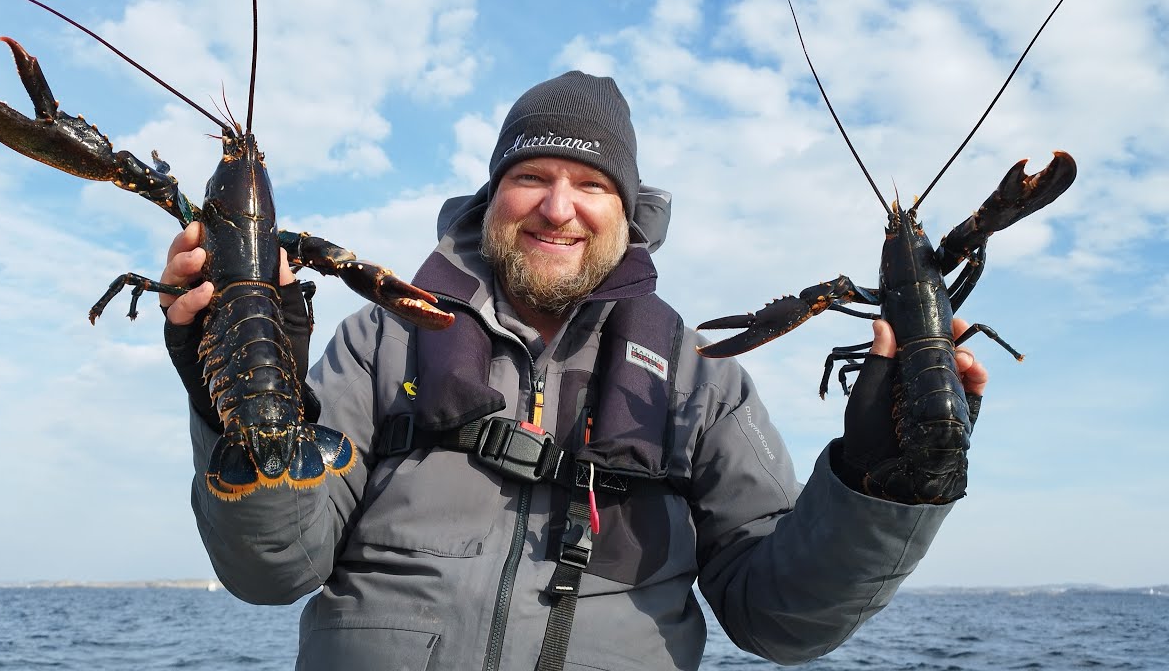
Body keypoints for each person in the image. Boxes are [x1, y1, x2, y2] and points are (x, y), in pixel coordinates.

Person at [159, 71, 988, 670]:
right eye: (531, 177)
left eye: (592, 184)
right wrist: (224, 412)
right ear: (489, 201)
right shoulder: (380, 340)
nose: (559, 207)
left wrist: (882, 489)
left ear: (631, 218)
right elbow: (270, 572)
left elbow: (782, 623)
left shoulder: (705, 380)